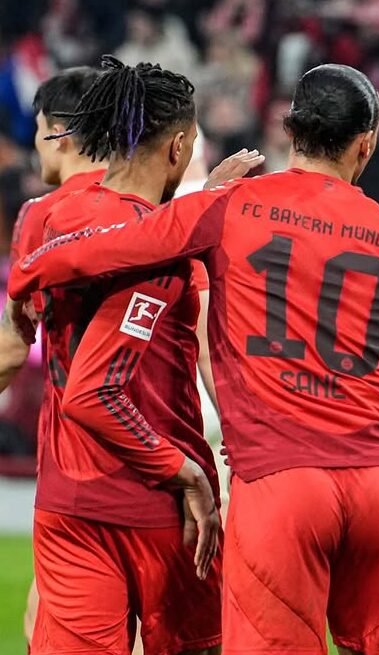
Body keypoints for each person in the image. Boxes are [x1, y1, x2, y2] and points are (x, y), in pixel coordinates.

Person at [10, 63, 379, 655]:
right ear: (366, 144)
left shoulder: (230, 206)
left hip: (278, 482)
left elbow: (114, 246)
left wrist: (27, 270)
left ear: (289, 130)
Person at [14, 55, 251, 655]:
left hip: (68, 498)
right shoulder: (165, 245)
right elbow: (101, 388)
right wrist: (191, 470)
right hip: (161, 497)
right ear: (178, 147)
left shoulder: (52, 217)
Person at [0, 66, 108, 646]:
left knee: (49, 626)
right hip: (170, 459)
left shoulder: (45, 215)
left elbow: (12, 348)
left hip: (80, 467)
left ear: (59, 134)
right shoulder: (161, 210)